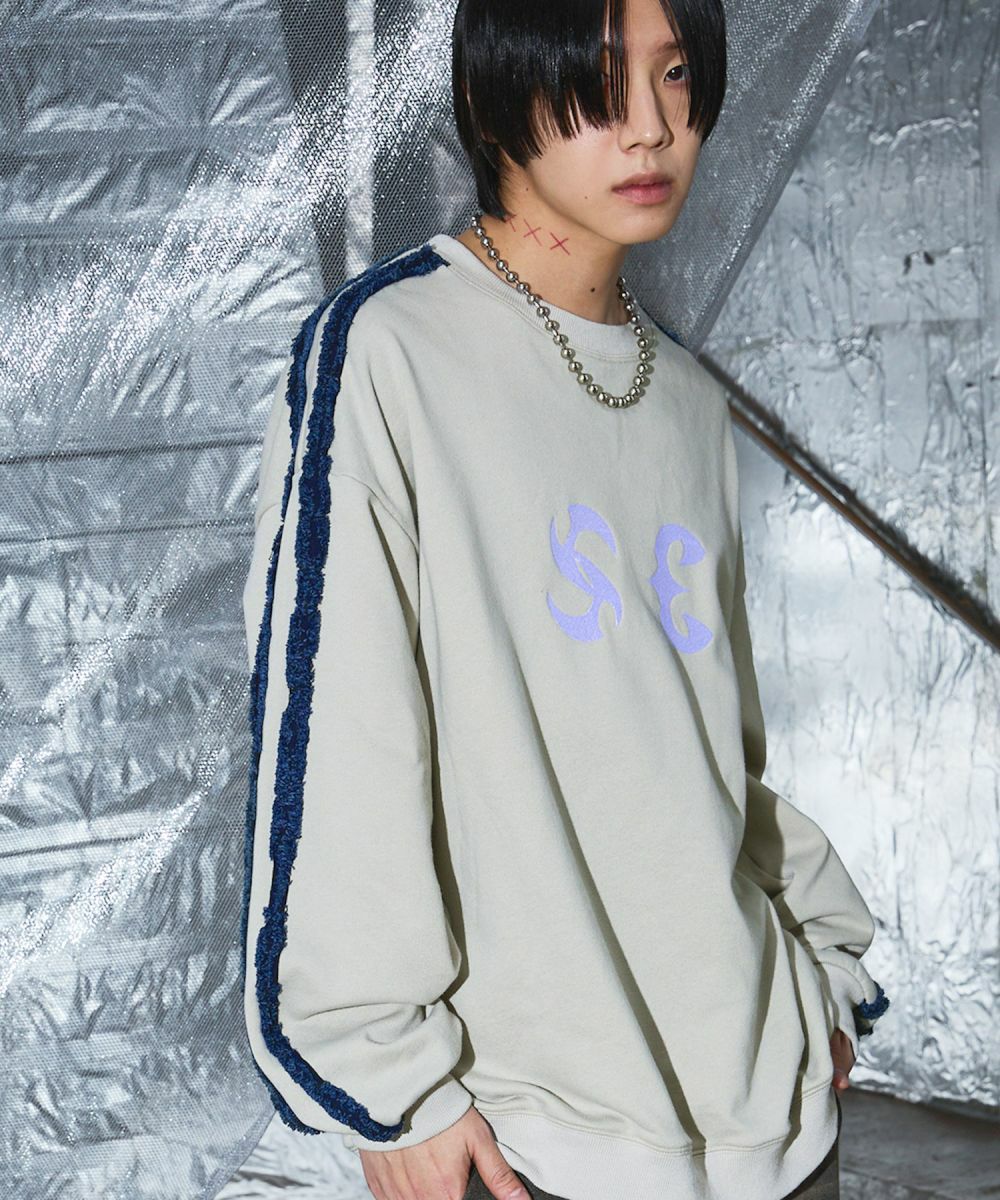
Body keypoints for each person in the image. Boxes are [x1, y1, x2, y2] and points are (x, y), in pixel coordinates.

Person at [239, 0, 890, 1197]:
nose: (649, 127)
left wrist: (821, 979)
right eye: (596, 80)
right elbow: (338, 733)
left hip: (783, 1131)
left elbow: (711, 756)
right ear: (491, 94)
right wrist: (391, 1088)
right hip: (545, 1143)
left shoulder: (688, 399)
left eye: (676, 75)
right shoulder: (389, 351)